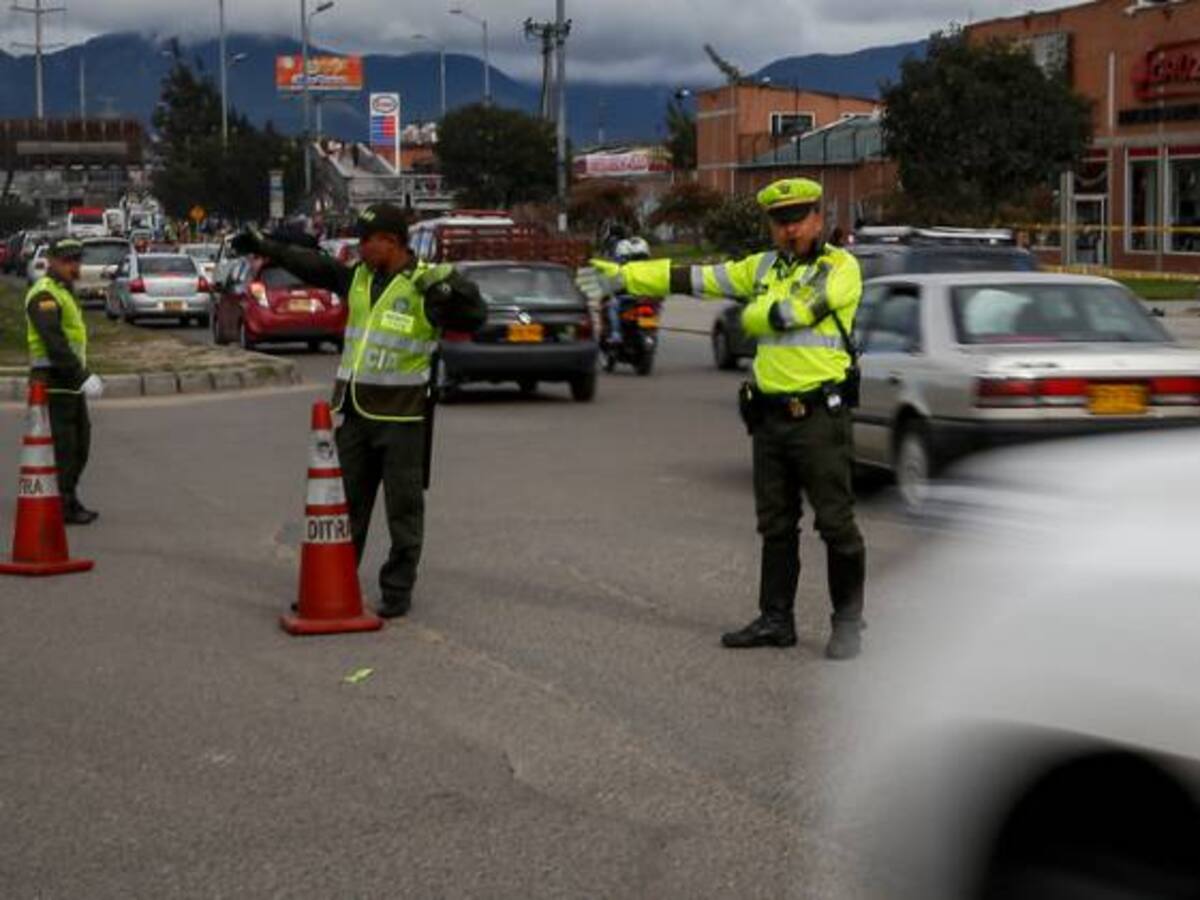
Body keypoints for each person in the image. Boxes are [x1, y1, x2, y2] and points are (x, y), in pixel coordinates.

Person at [584, 178, 867, 659]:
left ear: (819, 218)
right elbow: (697, 278)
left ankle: (848, 623)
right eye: (780, 222)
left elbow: (799, 310)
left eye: (798, 219)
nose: (789, 229)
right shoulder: (761, 267)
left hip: (820, 417)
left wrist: (756, 314)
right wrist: (624, 278)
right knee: (775, 525)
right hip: (771, 418)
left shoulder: (840, 266)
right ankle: (776, 619)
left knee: (836, 525)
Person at [232, 204, 486, 619]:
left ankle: (397, 589)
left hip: (402, 417)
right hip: (356, 413)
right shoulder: (359, 278)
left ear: (391, 241)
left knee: (403, 511)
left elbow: (476, 317)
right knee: (343, 507)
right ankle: (334, 584)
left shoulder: (424, 287)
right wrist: (267, 247)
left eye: (368, 239)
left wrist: (456, 287)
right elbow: (313, 265)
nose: (361, 246)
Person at [25, 237, 104, 525]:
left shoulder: (64, 291)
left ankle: (68, 498)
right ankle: (64, 504)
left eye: (77, 260)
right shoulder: (44, 294)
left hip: (67, 379)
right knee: (65, 445)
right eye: (68, 261)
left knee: (80, 441)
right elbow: (54, 342)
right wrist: (82, 375)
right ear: (53, 261)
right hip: (53, 379)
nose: (75, 266)